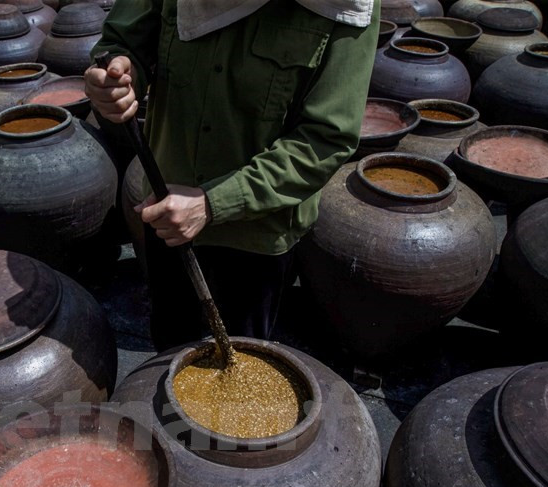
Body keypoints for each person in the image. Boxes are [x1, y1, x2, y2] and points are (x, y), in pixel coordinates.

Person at [85, 0, 379, 352]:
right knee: (170, 347)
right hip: (166, 211)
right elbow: (121, 42)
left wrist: (212, 203)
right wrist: (116, 79)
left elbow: (325, 139)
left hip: (257, 235)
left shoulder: (348, 6)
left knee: (241, 363)